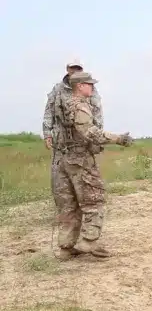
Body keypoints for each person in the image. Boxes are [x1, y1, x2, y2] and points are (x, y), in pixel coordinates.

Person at [53, 72, 133, 260]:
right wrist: (118, 138)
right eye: (89, 84)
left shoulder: (62, 105)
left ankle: (66, 247)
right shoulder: (79, 106)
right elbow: (89, 132)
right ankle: (89, 241)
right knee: (93, 200)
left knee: (69, 205)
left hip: (64, 159)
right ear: (79, 86)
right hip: (80, 160)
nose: (92, 87)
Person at [43, 59, 104, 208]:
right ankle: (66, 211)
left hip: (82, 144)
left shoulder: (90, 89)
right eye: (73, 68)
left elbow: (98, 114)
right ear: (67, 69)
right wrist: (47, 133)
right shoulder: (58, 89)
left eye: (78, 68)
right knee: (61, 184)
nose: (75, 70)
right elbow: (49, 111)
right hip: (62, 145)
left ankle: (86, 208)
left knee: (86, 181)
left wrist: (98, 138)